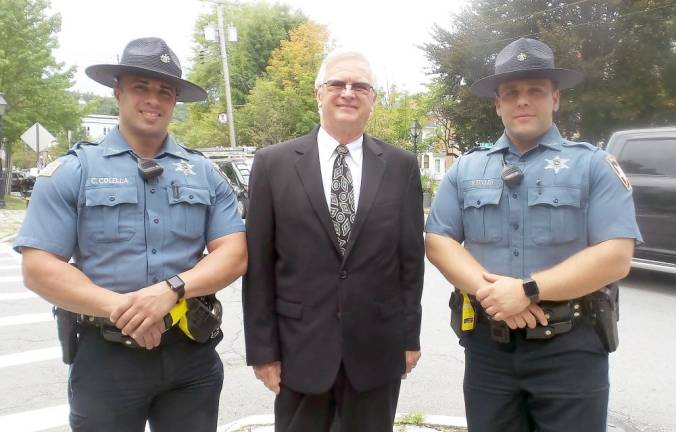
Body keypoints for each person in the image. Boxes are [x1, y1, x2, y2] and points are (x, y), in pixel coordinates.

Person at [14, 37, 247, 431]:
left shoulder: (204, 173)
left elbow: (234, 253)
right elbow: (39, 267)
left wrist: (169, 291)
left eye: (165, 91)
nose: (153, 100)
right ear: (118, 91)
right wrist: (126, 310)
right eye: (141, 87)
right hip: (106, 359)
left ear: (175, 101)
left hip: (191, 353)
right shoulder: (74, 171)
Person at [425, 38, 642, 432]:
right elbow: (438, 240)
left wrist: (526, 290)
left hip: (570, 350)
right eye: (511, 93)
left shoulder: (593, 165)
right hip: (489, 350)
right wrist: (494, 295)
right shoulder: (467, 168)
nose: (522, 101)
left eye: (535, 91)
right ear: (498, 104)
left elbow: (616, 255)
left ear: (555, 98)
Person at [242, 50, 425, 432]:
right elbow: (258, 267)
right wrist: (263, 351)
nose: (348, 92)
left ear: (373, 99)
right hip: (298, 352)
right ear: (318, 94)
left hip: (376, 350)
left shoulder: (401, 167)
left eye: (360, 86)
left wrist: (409, 337)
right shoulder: (272, 164)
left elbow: (410, 261)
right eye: (337, 84)